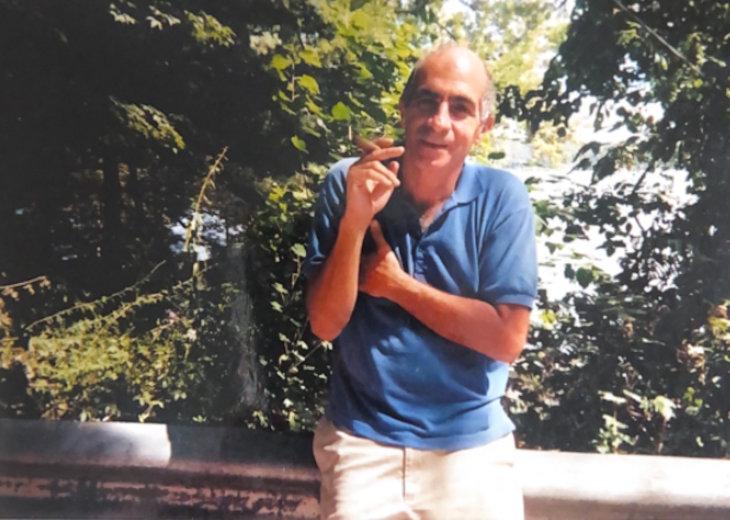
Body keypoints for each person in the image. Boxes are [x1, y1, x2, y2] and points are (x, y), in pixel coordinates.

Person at [303, 43, 538, 520]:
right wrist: (355, 221)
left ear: (484, 126)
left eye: (460, 107)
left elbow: (507, 339)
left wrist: (396, 285)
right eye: (428, 101)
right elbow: (325, 324)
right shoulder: (350, 181)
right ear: (404, 108)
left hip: (471, 448)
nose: (439, 121)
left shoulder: (502, 198)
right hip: (362, 442)